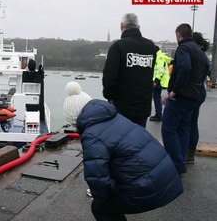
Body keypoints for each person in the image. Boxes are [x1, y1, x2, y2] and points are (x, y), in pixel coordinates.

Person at [63, 81, 183, 221]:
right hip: (168, 178)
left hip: (151, 189)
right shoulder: (115, 117)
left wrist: (103, 197)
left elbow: (97, 178)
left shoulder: (92, 135)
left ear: (76, 120)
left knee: (100, 207)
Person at [162, 24, 209, 175]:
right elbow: (206, 70)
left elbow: (185, 68)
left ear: (178, 35)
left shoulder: (183, 48)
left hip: (181, 95)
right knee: (184, 128)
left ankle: (175, 163)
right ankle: (181, 160)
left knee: (168, 129)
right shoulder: (199, 51)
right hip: (194, 95)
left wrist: (174, 91)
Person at [102, 13, 158, 127]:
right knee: (138, 140)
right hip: (143, 106)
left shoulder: (117, 47)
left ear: (121, 26)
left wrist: (108, 95)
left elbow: (109, 76)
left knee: (120, 140)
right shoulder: (151, 47)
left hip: (121, 107)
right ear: (139, 27)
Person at [186, 32, 211, 164]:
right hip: (201, 91)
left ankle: (185, 152)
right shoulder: (204, 55)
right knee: (193, 122)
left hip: (193, 91)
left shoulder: (194, 53)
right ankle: (190, 154)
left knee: (186, 122)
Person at [150, 49, 171, 121]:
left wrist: (156, 81)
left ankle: (158, 115)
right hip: (160, 81)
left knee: (156, 98)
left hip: (159, 81)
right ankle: (158, 114)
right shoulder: (160, 56)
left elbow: (160, 70)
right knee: (156, 97)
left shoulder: (159, 57)